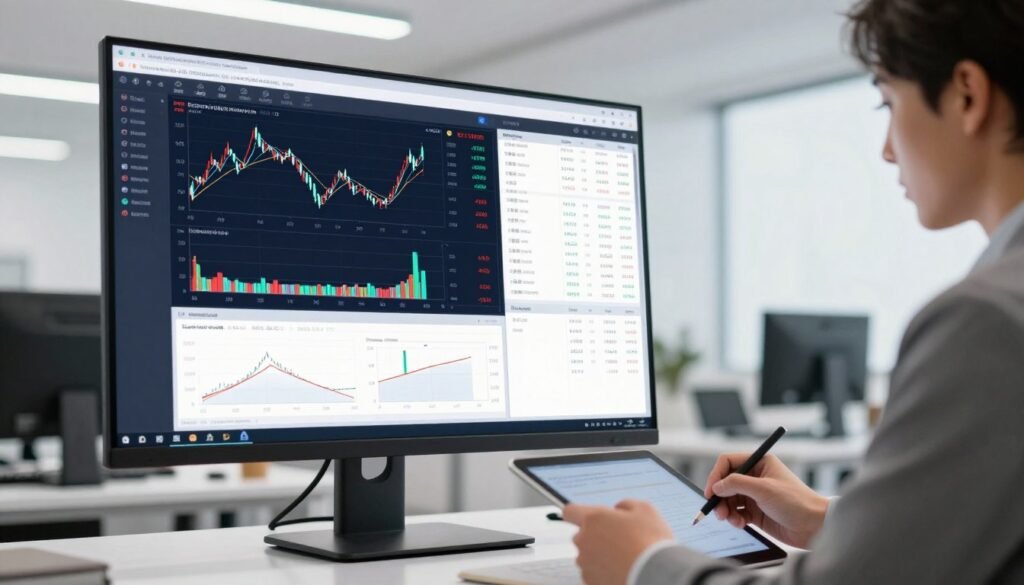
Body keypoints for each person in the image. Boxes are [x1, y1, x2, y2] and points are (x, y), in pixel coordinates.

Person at [563, 1, 1024, 584]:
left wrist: (643, 563)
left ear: (966, 94)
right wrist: (825, 519)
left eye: (889, 102)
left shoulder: (986, 319)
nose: (886, 148)